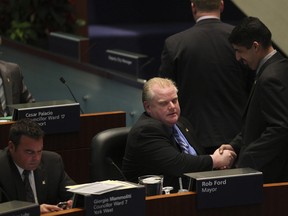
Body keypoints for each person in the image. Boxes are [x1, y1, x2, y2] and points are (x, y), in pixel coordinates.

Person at [159, 0, 254, 154]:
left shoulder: (174, 44)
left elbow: (163, 92)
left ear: (193, 7)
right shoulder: (241, 41)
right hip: (237, 138)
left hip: (192, 139)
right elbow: (254, 89)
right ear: (222, 5)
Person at [122, 77, 236, 192]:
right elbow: (179, 164)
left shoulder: (182, 123)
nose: (172, 106)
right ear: (148, 107)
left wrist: (219, 160)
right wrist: (214, 160)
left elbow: (197, 157)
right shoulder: (145, 131)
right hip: (157, 202)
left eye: (174, 100)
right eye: (164, 103)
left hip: (191, 194)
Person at [219, 17, 288, 183]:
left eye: (239, 51)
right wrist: (235, 145)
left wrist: (247, 157)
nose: (237, 57)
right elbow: (258, 121)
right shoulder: (280, 66)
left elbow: (280, 127)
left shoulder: (270, 77)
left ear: (255, 47)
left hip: (272, 174)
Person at [0, 118, 75, 213]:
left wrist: (71, 202)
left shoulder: (52, 162)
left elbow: (73, 193)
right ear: (11, 147)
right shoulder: (2, 168)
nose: (36, 158)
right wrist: (35, 211)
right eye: (29, 152)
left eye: (39, 151)